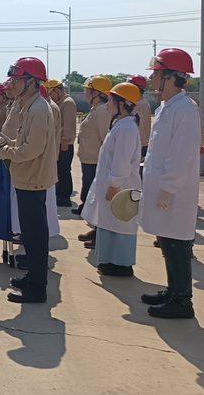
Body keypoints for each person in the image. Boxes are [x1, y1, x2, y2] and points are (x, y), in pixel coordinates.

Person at [138, 48, 200, 319]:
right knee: (167, 241)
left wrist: (168, 188)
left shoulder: (185, 110)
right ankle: (173, 290)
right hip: (163, 189)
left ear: (172, 77)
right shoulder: (167, 107)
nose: (152, 79)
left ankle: (182, 301)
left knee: (177, 245)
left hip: (175, 193)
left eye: (157, 74)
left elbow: (181, 154)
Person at [0, 57, 56, 303]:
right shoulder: (29, 106)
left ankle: (37, 286)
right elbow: (25, 142)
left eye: (18, 80)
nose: (13, 84)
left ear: (32, 82)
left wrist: (6, 152)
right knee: (31, 234)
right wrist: (4, 143)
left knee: (35, 234)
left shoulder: (38, 109)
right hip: (28, 177)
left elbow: (32, 149)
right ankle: (33, 277)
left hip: (33, 177)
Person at [82, 82, 142, 277]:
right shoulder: (121, 125)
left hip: (120, 187)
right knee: (110, 223)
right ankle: (110, 261)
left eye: (110, 100)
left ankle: (122, 264)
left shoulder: (127, 129)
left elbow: (121, 161)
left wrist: (114, 184)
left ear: (122, 104)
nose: (107, 104)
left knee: (120, 225)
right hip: (112, 185)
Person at [73, 75, 113, 230]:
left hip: (95, 159)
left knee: (93, 189)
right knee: (87, 185)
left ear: (96, 93)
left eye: (88, 90)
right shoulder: (95, 109)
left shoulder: (101, 110)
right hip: (89, 157)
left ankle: (95, 222)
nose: (85, 93)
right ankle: (87, 210)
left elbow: (105, 138)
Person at [47, 79, 77, 207]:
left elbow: (68, 124)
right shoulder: (61, 103)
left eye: (51, 93)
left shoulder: (67, 103)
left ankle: (64, 196)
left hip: (64, 143)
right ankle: (59, 194)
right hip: (59, 142)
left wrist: (65, 140)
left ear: (57, 90)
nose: (51, 97)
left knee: (64, 170)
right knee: (59, 170)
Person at [126, 74, 153, 160]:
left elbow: (142, 126)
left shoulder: (141, 104)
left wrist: (143, 145)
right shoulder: (137, 103)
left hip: (138, 145)